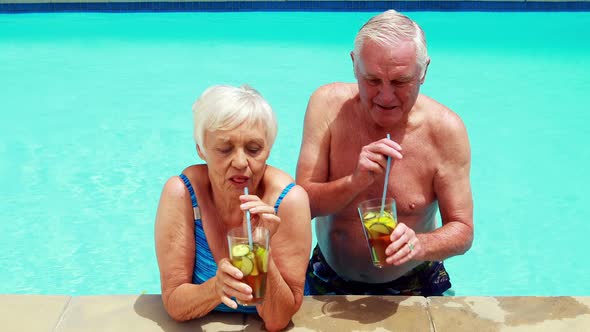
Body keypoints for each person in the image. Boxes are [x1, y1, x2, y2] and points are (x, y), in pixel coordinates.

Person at [296, 9, 473, 296]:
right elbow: (302, 206)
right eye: (373, 80)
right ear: (354, 65)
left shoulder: (445, 131)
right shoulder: (327, 107)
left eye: (401, 82)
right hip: (328, 275)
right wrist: (354, 182)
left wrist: (420, 244)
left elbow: (463, 230)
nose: (386, 96)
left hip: (414, 281)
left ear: (423, 70)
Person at [155, 84, 311, 331]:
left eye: (254, 149)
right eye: (225, 149)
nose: (240, 162)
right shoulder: (182, 194)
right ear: (201, 149)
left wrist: (261, 247)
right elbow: (175, 303)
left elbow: (278, 320)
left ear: (268, 150)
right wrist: (215, 288)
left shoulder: (289, 201)